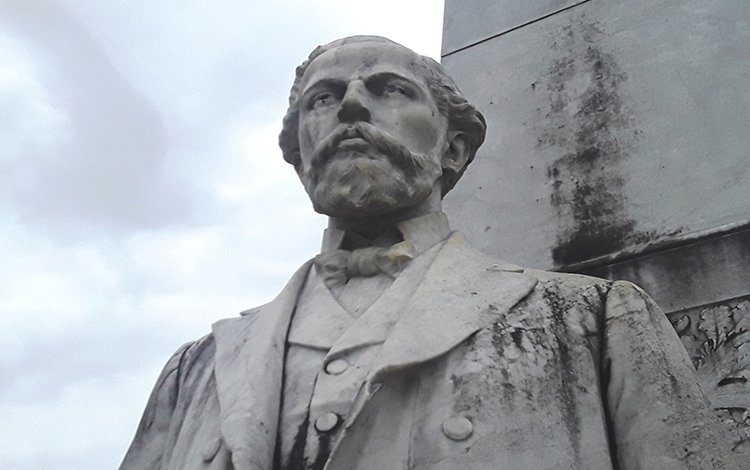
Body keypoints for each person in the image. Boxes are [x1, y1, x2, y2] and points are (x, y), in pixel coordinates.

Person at [120, 36, 737, 470]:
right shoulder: (193, 373)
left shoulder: (597, 322)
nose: (352, 106)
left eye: (390, 90)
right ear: (299, 155)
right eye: (323, 98)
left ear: (454, 151)